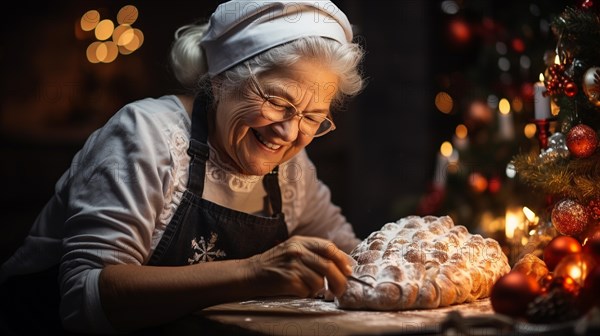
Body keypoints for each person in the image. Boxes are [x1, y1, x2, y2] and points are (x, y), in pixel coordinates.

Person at [0, 0, 365, 334]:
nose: (288, 132)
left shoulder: (290, 167)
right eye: (276, 101)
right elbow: (84, 300)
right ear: (221, 80)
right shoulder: (147, 135)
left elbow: (349, 255)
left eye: (312, 117)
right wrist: (253, 272)